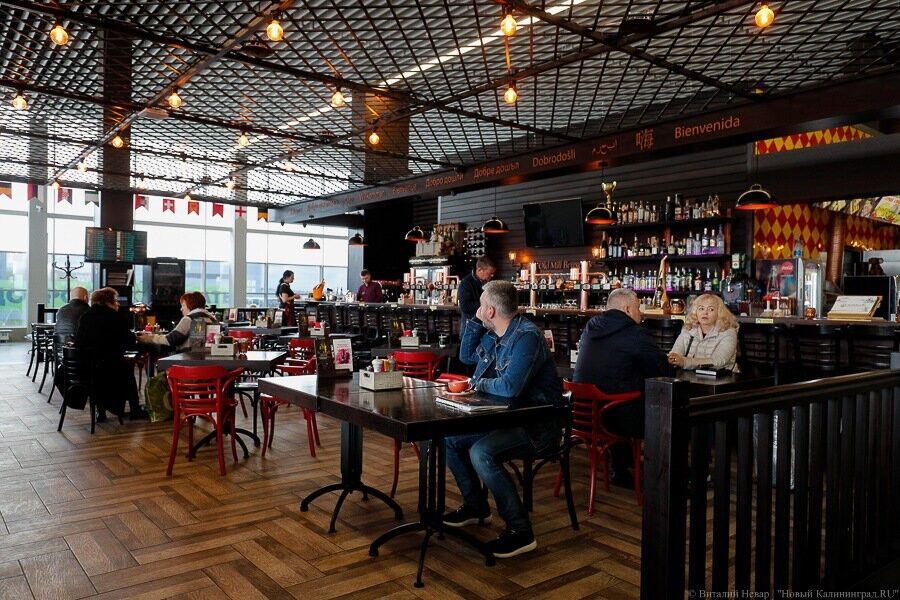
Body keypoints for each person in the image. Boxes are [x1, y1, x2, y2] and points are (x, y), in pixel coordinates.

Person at [443, 281, 562, 559]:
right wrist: (475, 321)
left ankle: (521, 531)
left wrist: (477, 383)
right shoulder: (496, 333)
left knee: (481, 452)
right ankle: (476, 507)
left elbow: (510, 387)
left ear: (491, 311)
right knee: (449, 439)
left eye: (481, 305)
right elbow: (466, 356)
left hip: (538, 426)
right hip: (506, 420)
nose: (478, 309)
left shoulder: (527, 337)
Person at [573, 288, 674, 485]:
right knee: (666, 410)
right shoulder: (635, 333)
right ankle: (669, 476)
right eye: (638, 307)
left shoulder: (590, 327)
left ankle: (622, 469)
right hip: (617, 420)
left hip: (584, 417)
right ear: (627, 309)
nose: (641, 313)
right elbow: (663, 371)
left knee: (619, 391)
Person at [75, 287, 145, 420]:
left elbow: (79, 343)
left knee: (106, 367)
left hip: (87, 371)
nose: (118, 304)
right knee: (128, 370)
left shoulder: (85, 317)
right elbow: (129, 341)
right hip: (110, 370)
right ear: (108, 302)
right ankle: (135, 410)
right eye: (116, 300)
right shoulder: (115, 317)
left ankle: (100, 411)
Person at [667, 294, 739, 372]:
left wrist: (684, 362)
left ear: (719, 313)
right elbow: (676, 352)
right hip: (691, 375)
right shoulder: (688, 328)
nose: (705, 313)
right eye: (701, 308)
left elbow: (718, 362)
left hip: (723, 377)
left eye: (711, 309)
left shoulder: (729, 333)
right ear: (695, 311)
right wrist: (673, 359)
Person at [138, 291, 217, 351]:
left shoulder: (189, 319)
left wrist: (148, 338)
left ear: (190, 306)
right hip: (209, 360)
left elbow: (171, 339)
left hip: (188, 360)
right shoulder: (212, 318)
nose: (181, 309)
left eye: (183, 305)